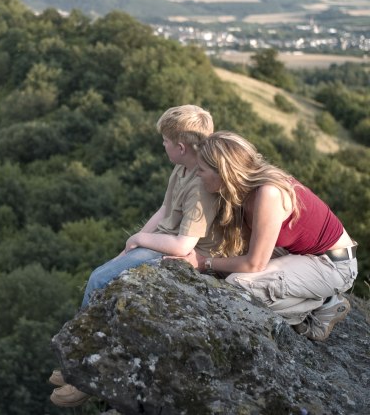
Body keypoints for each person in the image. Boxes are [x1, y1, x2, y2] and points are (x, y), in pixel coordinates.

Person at [50, 104, 222, 408]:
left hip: (184, 253)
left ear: (180, 147)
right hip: (163, 241)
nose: (163, 145)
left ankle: (81, 370)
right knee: (109, 272)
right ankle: (79, 358)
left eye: (166, 142)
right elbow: (165, 211)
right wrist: (131, 245)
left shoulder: (200, 185)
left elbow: (184, 245)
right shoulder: (181, 168)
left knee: (100, 279)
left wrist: (142, 240)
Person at [186, 131, 358, 342]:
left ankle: (323, 303)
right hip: (301, 256)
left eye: (202, 170)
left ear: (223, 173)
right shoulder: (245, 189)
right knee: (226, 267)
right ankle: (308, 296)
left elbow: (254, 264)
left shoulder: (268, 193)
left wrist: (205, 263)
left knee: (237, 287)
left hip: (333, 264)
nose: (197, 175)